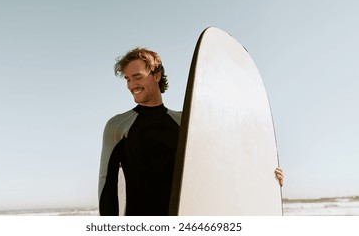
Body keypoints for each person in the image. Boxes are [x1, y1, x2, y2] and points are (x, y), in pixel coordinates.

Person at [98, 47, 284, 216]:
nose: (131, 85)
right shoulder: (118, 126)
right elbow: (107, 184)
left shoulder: (186, 122)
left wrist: (266, 176)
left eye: (137, 77)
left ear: (156, 75)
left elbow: (221, 165)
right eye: (128, 79)